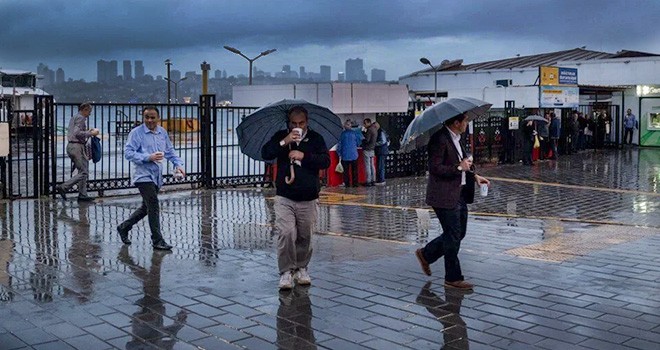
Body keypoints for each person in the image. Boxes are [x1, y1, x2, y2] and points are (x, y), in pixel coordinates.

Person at [414, 113, 490, 290]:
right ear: (456, 122)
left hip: (460, 193)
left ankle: (426, 254)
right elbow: (435, 168)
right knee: (453, 236)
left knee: (458, 234)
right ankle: (453, 278)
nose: (466, 124)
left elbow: (465, 164)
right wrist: (458, 168)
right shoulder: (439, 139)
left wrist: (475, 176)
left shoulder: (456, 138)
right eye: (465, 121)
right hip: (444, 196)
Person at [261, 105, 330, 290]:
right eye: (293, 123)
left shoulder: (316, 139)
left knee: (304, 235)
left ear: (306, 122)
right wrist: (284, 141)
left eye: (301, 123)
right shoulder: (281, 137)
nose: (297, 126)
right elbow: (266, 153)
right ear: (288, 123)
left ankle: (301, 267)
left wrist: (303, 155)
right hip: (285, 196)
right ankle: (285, 271)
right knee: (286, 233)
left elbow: (325, 161)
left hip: (308, 196)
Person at [117, 106, 185, 251]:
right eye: (147, 117)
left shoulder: (162, 133)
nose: (149, 120)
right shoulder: (136, 133)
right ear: (143, 118)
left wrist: (178, 165)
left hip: (156, 176)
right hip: (143, 176)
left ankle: (124, 227)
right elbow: (128, 153)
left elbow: (170, 151)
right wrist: (148, 157)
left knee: (145, 208)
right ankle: (157, 240)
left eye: (153, 117)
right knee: (153, 205)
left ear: (158, 118)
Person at [56, 103, 100, 201]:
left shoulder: (74, 117)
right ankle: (64, 187)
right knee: (84, 172)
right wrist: (91, 133)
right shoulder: (81, 118)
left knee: (82, 170)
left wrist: (87, 131)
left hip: (71, 146)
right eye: (89, 112)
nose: (89, 114)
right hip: (77, 147)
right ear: (85, 109)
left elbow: (74, 131)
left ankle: (83, 195)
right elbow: (77, 133)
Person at [336, 120, 361, 187]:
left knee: (346, 172)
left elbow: (339, 145)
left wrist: (339, 153)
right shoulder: (355, 133)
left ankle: (347, 184)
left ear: (344, 126)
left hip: (345, 155)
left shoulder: (342, 134)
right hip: (354, 155)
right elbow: (358, 143)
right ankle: (355, 183)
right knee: (354, 171)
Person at [361, 118, 378, 186]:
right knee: (372, 166)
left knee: (367, 166)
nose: (364, 125)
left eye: (365, 123)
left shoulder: (369, 129)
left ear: (368, 123)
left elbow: (367, 140)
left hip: (367, 149)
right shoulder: (375, 129)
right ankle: (373, 180)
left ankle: (368, 181)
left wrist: (363, 134)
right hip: (372, 149)